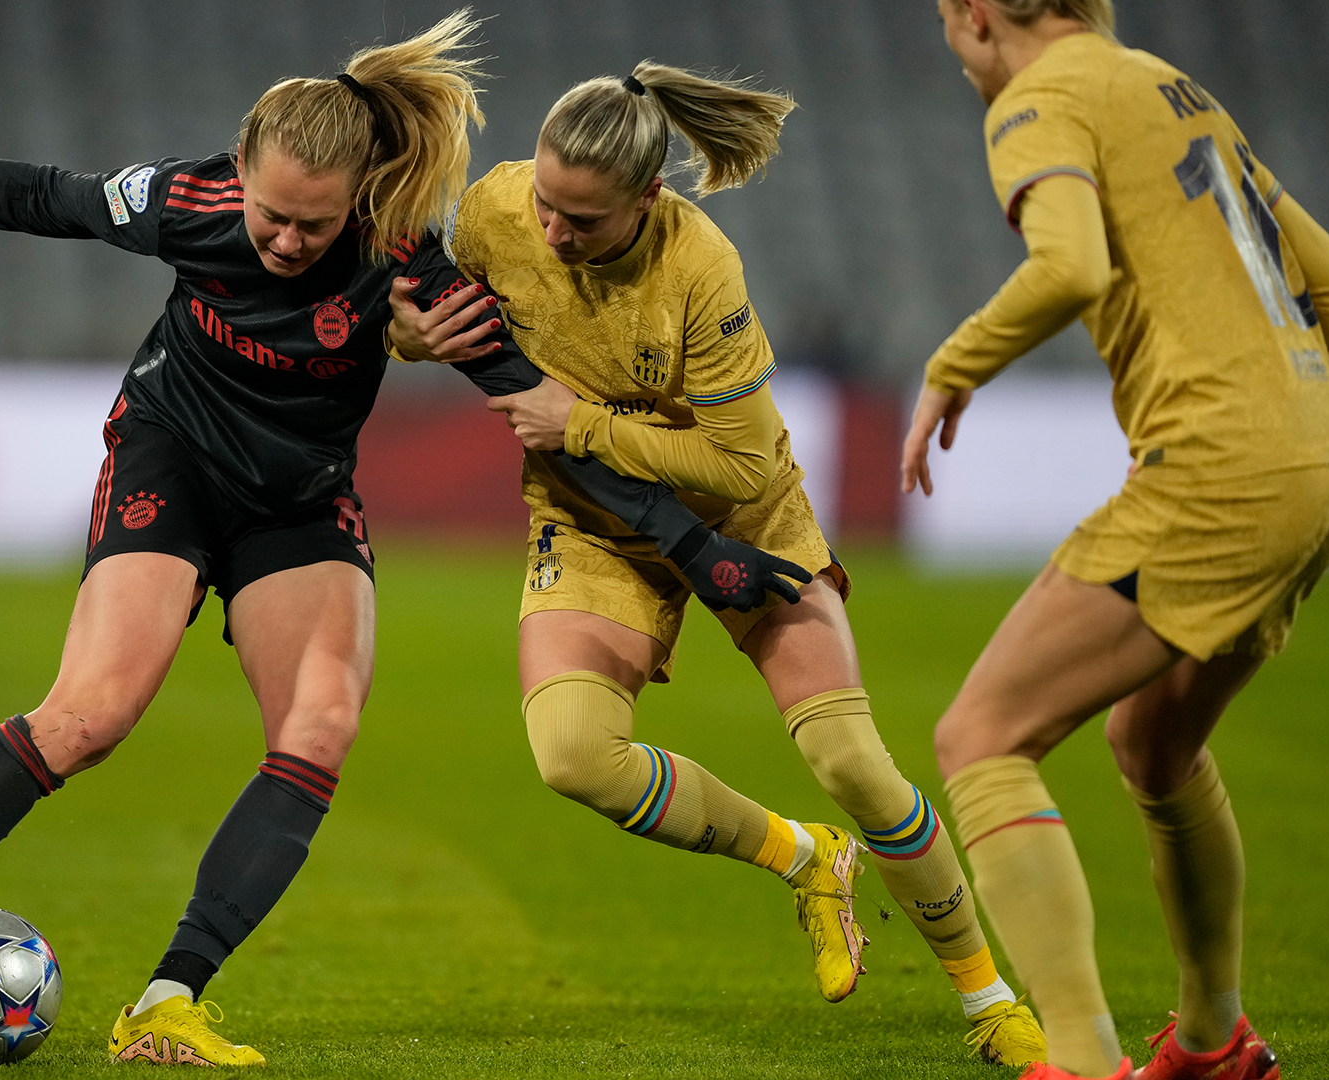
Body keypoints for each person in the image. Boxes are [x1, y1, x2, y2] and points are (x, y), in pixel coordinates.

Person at [0, 11, 766, 1067]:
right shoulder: (187, 200)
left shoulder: (405, 261)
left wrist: (698, 552)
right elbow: (28, 196)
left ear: (362, 202)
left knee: (321, 724)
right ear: (240, 170)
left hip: (299, 498)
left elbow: (547, 422)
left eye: (312, 228)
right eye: (272, 216)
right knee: (93, 714)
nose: (285, 242)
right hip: (173, 460)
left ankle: (165, 1006)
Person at [390, 62, 1047, 1066]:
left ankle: (988, 997)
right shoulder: (496, 211)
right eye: (548, 206)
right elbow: (428, 335)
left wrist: (585, 422)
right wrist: (414, 337)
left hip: (744, 523)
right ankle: (804, 857)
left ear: (649, 199)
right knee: (572, 755)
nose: (555, 232)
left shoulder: (701, 268)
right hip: (597, 524)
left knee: (852, 763)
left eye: (585, 219)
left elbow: (739, 458)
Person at [909, 3, 1329, 1078]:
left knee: (980, 738)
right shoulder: (1175, 90)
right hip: (1323, 460)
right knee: (1155, 746)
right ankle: (1212, 1042)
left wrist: (955, 363)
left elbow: (1067, 267)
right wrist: (1284, 420)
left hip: (1221, 467)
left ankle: (1078, 1059)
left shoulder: (1042, 96)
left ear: (980, 16)